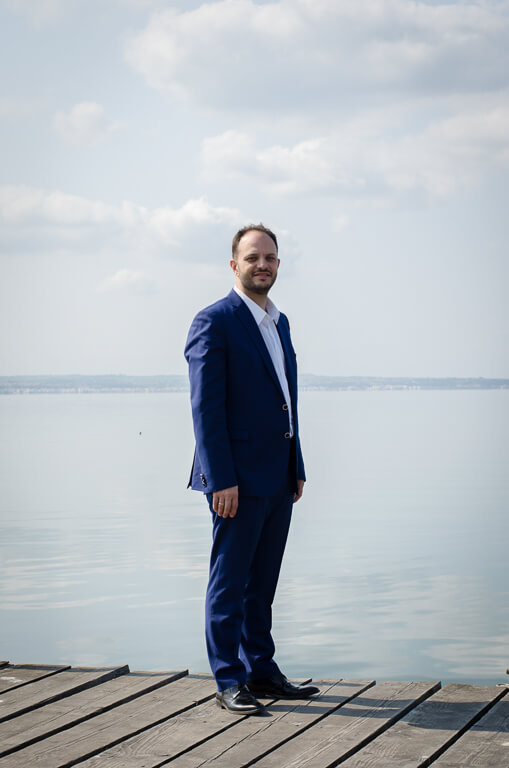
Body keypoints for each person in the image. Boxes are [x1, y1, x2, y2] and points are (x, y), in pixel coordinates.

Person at [184, 224, 319, 714]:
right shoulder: (214, 321)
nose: (263, 264)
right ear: (234, 264)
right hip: (234, 478)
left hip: (277, 474)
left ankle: (261, 670)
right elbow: (206, 410)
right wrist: (221, 479)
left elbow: (288, 399)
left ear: (279, 265)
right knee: (230, 582)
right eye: (253, 257)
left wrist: (295, 463)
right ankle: (228, 678)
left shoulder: (279, 322)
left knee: (262, 582)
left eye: (271, 258)